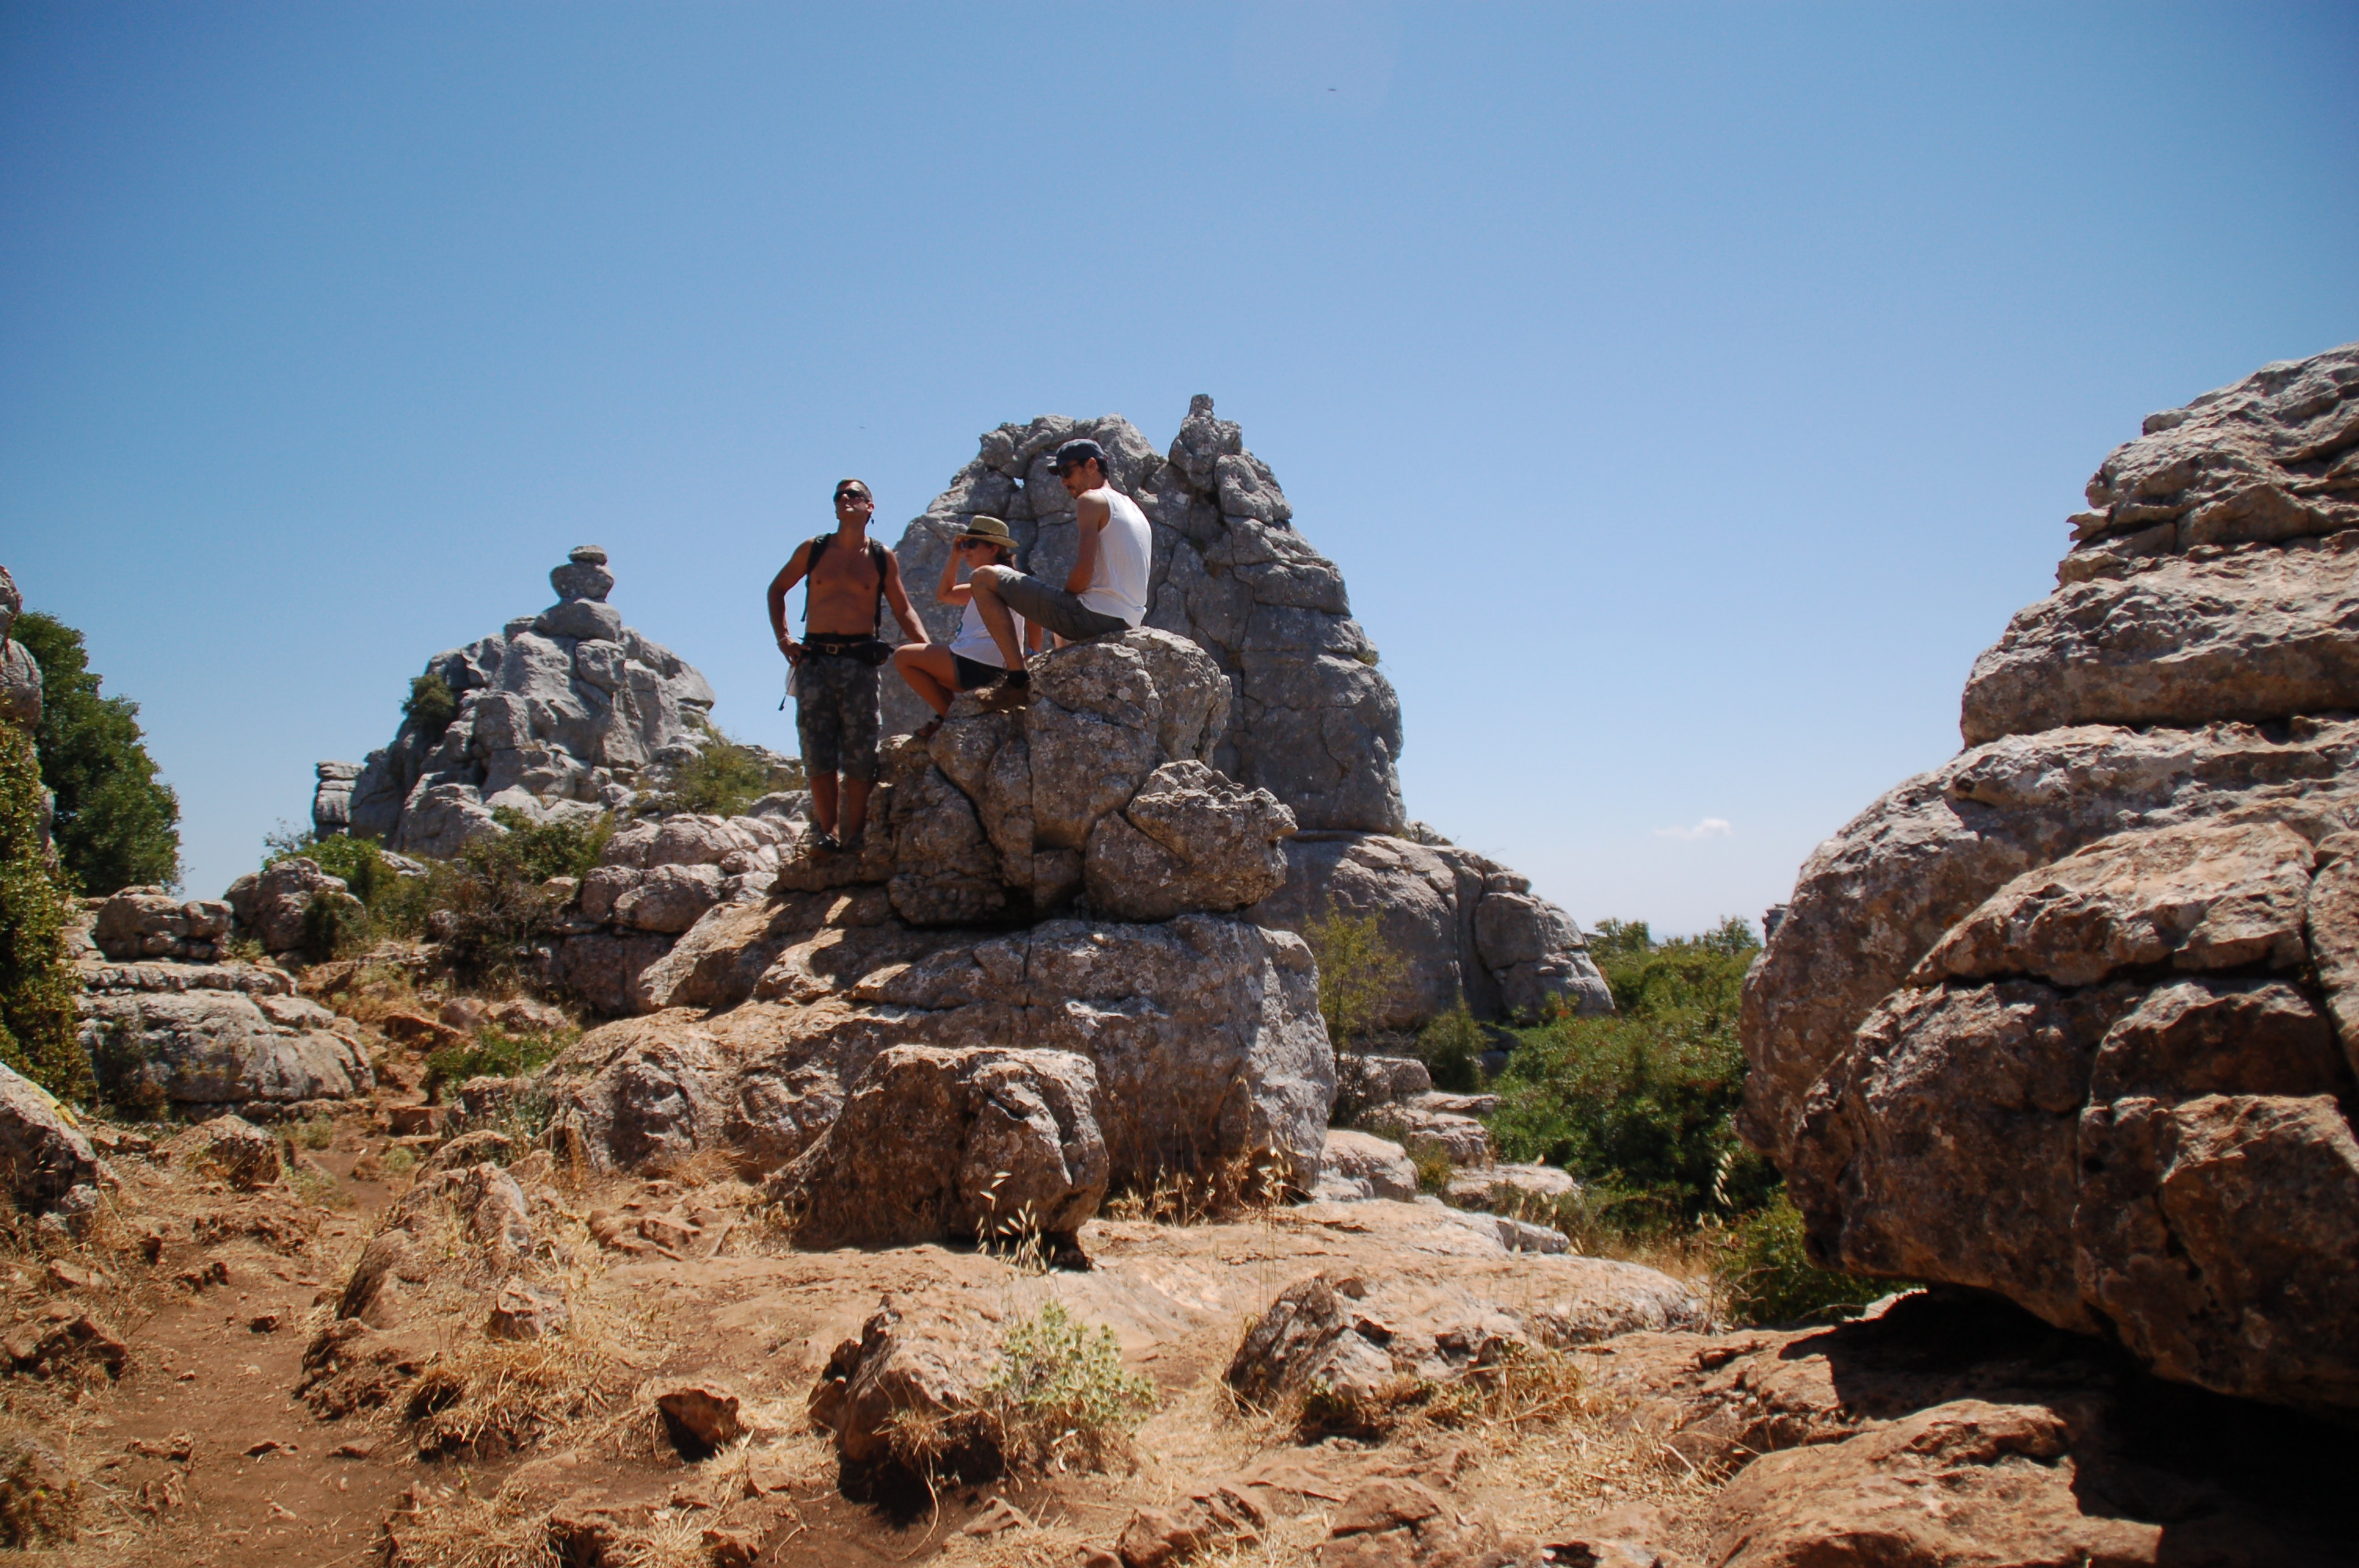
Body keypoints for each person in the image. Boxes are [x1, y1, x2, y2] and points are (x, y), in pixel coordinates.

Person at [765, 478, 926, 851]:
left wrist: (925, 646)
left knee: (861, 751)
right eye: (839, 496)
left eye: (854, 495)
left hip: (860, 662)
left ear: (871, 507)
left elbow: (902, 608)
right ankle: (827, 833)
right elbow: (776, 590)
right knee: (816, 749)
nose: (845, 500)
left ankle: (856, 837)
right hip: (815, 660)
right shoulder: (815, 549)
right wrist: (784, 638)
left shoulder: (882, 557)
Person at [966, 437, 1151, 700]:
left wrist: (1066, 598)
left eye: (1067, 472)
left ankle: (1017, 681)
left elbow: (1083, 570)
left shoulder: (1091, 500)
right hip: (1128, 620)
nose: (1064, 482)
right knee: (1059, 631)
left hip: (1094, 618)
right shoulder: (1134, 509)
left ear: (1091, 465)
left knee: (983, 577)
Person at [891, 516, 1045, 737]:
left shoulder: (1002, 578)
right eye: (964, 545)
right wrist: (954, 556)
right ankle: (949, 715)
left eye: (971, 544)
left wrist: (1032, 653)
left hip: (974, 660)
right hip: (991, 666)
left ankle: (952, 718)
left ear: (993, 548)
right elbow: (945, 594)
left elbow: (1033, 614)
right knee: (926, 664)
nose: (966, 550)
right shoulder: (991, 581)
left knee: (904, 657)